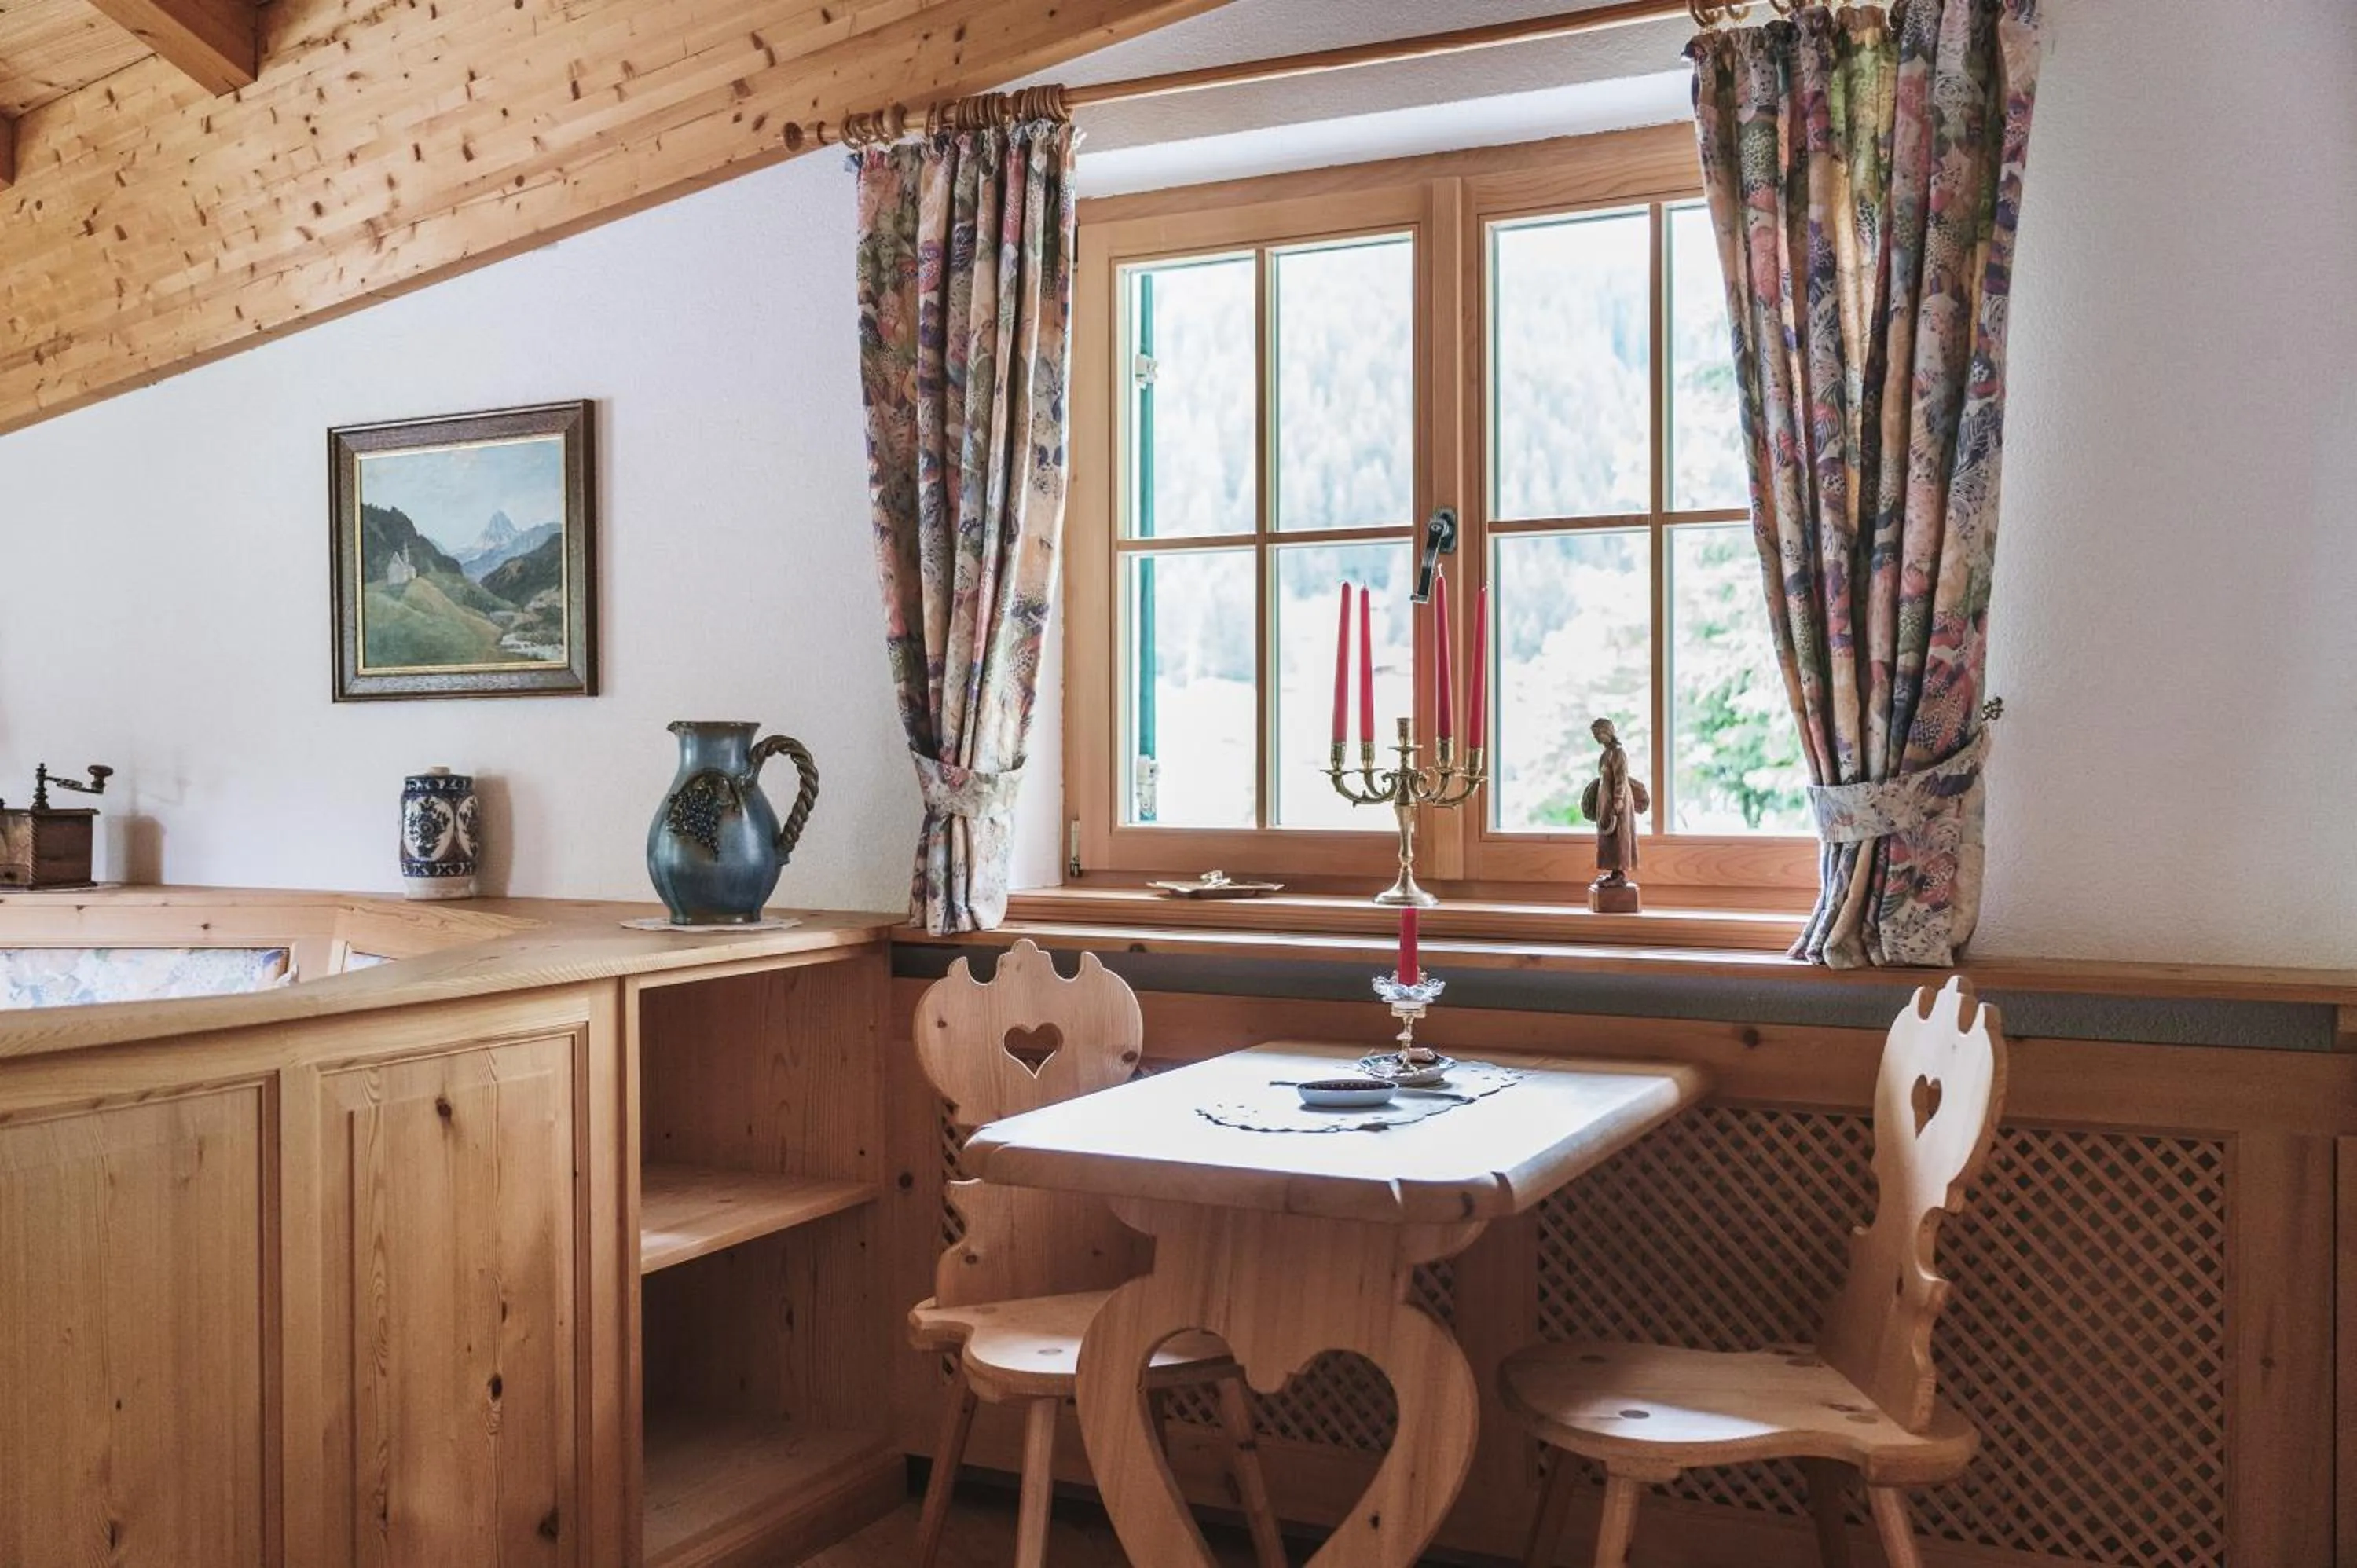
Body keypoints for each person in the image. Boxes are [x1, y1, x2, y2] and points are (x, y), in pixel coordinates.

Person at [1579, 718, 1649, 887]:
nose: (1596, 738)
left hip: (1618, 803)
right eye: (1594, 735)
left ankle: (1620, 874)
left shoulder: (1618, 753)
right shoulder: (1606, 754)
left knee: (1619, 837)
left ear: (1607, 732)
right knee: (1608, 838)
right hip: (1606, 801)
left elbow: (1621, 779)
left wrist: (1618, 802)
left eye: (1598, 734)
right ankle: (1613, 872)